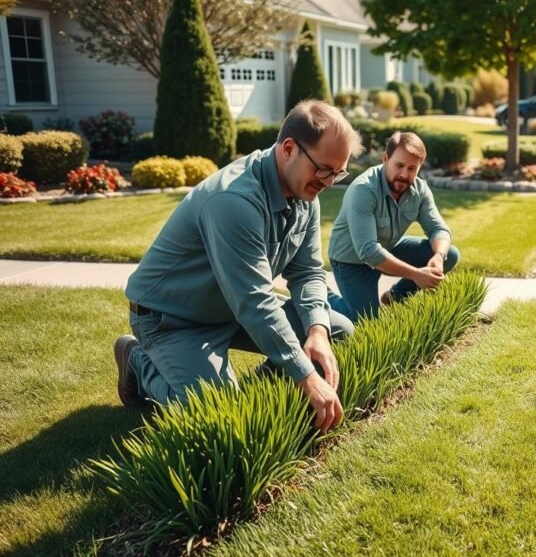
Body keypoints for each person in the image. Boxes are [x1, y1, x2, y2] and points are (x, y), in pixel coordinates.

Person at [114, 100, 361, 433]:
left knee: (336, 331)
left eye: (338, 172)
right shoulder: (233, 200)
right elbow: (255, 301)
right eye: (324, 169)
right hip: (172, 319)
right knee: (220, 413)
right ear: (289, 149)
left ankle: (263, 386)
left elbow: (308, 273)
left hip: (231, 309)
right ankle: (138, 362)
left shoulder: (306, 196)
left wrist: (316, 331)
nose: (329, 182)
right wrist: (305, 375)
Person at [327, 131, 458, 321]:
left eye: (412, 168)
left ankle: (396, 296)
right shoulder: (364, 190)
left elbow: (439, 229)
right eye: (399, 165)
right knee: (364, 323)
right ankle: (320, 294)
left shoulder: (419, 190)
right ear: (385, 158)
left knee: (450, 254)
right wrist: (416, 274)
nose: (405, 174)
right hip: (352, 260)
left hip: (388, 247)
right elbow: (368, 251)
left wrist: (438, 256)